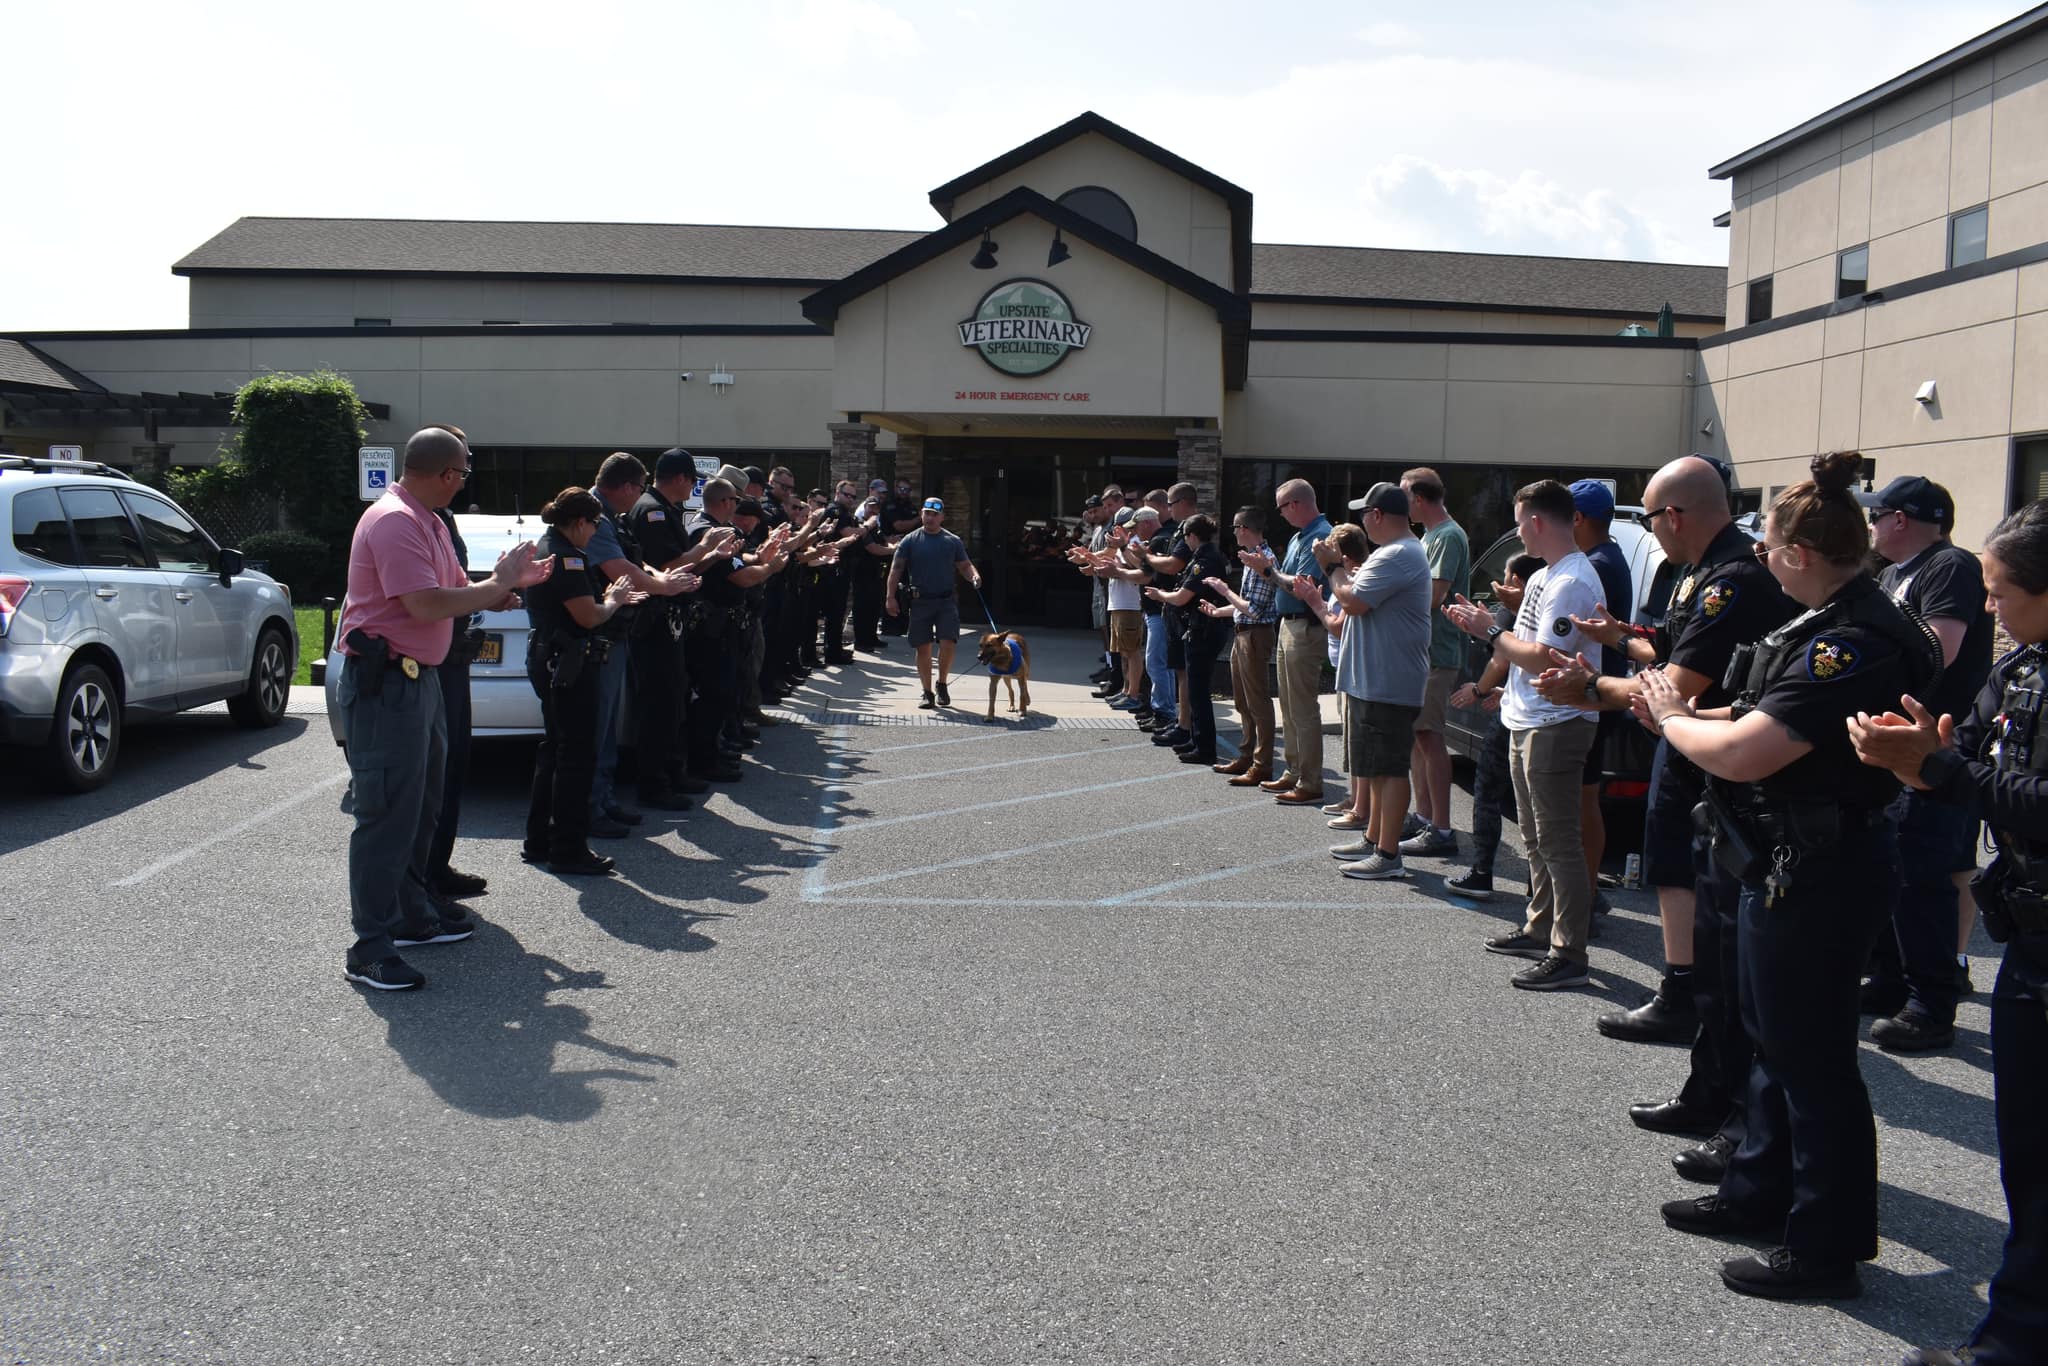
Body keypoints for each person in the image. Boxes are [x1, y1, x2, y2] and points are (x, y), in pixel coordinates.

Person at [1647, 451, 1941, 1302]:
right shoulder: (1829, 624)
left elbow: (1745, 753)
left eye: (1771, 547)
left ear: (1800, 554)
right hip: (1787, 860)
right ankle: (1758, 1191)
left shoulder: (1852, 641)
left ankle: (1826, 1246)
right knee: (1778, 1046)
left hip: (1821, 867)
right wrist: (1684, 712)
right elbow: (1752, 714)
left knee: (1814, 1064)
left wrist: (1672, 720)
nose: (1765, 560)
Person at [1850, 498, 2048, 1364]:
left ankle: (2012, 1342)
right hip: (2029, 943)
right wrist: (1918, 755)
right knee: (2027, 1161)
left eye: (2003, 594)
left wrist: (1935, 769)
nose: (1992, 610)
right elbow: (1963, 750)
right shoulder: (2023, 670)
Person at [336, 426, 550, 992]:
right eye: (460, 473)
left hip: (418, 681)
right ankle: (370, 948)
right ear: (446, 474)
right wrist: (494, 586)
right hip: (388, 686)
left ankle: (407, 916)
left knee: (421, 808)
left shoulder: (425, 519)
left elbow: (456, 587)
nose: (461, 483)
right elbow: (426, 603)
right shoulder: (395, 521)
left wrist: (502, 586)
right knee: (386, 815)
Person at [1444, 479, 1603, 990]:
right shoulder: (1545, 576)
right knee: (1534, 836)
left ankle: (1569, 952)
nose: (1517, 532)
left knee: (1559, 841)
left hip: (1557, 722)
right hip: (1526, 716)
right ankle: (1540, 928)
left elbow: (1544, 655)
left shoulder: (1574, 580)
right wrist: (1493, 629)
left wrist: (1487, 629)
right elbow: (1522, 646)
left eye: (1518, 522)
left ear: (1536, 521)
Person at [1856, 475, 1993, 1052]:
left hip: (1938, 746)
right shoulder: (1891, 574)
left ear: (1902, 519)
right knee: (1893, 869)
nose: (1871, 526)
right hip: (1897, 746)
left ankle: (1932, 1004)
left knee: (1924, 875)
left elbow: (1942, 645)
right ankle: (1892, 981)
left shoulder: (1949, 566)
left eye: (1877, 515)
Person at [522, 487, 648, 876]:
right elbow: (589, 617)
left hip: (551, 659)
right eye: (594, 525)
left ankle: (540, 840)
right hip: (570, 663)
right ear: (580, 522)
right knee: (576, 757)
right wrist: (615, 599)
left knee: (555, 751)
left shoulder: (547, 545)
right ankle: (569, 848)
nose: (595, 532)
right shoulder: (568, 558)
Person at [1322, 483, 1433, 880]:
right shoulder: (1394, 552)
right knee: (1376, 766)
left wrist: (1332, 568)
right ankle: (1374, 839)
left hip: (1389, 680)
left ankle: (1388, 855)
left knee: (1388, 769)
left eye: (1364, 513)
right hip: (1376, 679)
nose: (1361, 520)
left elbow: (1351, 601)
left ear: (1379, 515)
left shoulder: (1400, 553)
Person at [584, 453, 690, 838]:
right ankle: (590, 808)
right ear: (628, 487)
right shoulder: (593, 516)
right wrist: (666, 585)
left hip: (613, 633)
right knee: (594, 729)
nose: (641, 494)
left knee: (608, 725)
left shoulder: (611, 517)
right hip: (593, 637)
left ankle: (604, 800)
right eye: (639, 487)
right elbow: (619, 570)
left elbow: (636, 564)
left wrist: (661, 578)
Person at [1444, 555, 1543, 898]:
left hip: (1523, 714)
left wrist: (1479, 689)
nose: (1500, 585)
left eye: (1505, 577)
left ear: (1517, 580)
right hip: (1521, 704)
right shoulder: (1537, 603)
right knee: (1533, 805)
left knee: (1491, 789)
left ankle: (1483, 871)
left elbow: (1502, 658)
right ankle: (1551, 888)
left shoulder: (1525, 607)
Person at [1566, 478, 1632, 913]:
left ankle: (1585, 894)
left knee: (1583, 799)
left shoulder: (1599, 564)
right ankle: (1587, 890)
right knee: (1582, 797)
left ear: (1578, 519)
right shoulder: (1606, 557)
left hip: (1596, 693)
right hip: (1597, 691)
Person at [1398, 467, 1469, 858]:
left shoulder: (1446, 536)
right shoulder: (1430, 536)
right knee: (1419, 736)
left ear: (1419, 499)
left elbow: (1434, 597)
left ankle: (1441, 828)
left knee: (1430, 736)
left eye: (1403, 497)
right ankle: (1424, 818)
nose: (1401, 505)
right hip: (1421, 653)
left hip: (1436, 654)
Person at [1249, 479, 1333, 806]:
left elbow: (1300, 584)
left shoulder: (1320, 536)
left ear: (1295, 505)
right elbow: (1290, 580)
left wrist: (1268, 571)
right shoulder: (1301, 536)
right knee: (1288, 704)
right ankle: (1295, 770)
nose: (1280, 514)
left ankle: (1310, 780)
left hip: (1306, 627)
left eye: (1282, 507)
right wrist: (1272, 572)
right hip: (1290, 624)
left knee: (1302, 707)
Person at [1199, 506, 1280, 785]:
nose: (1233, 532)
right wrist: (1218, 610)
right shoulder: (1253, 559)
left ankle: (1262, 764)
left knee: (1257, 702)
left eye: (1235, 527)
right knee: (1243, 701)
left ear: (1244, 529)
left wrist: (1224, 591)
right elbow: (1243, 608)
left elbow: (1255, 610)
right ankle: (1247, 757)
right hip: (1244, 633)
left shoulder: (1264, 559)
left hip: (1255, 634)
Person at [1144, 513, 1230, 764]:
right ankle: (1196, 739)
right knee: (1195, 690)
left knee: (1199, 692)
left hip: (1204, 630)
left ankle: (1204, 748)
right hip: (1202, 628)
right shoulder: (1210, 556)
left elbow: (1182, 596)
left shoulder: (1205, 559)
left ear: (1192, 536)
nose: (1185, 542)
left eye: (1186, 537)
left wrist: (1160, 594)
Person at [885, 497, 982, 708]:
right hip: (921, 602)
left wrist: (974, 576)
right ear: (921, 514)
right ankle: (927, 692)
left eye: (934, 514)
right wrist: (890, 597)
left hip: (946, 601)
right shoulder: (910, 540)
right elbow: (896, 569)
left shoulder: (952, 541)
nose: (930, 517)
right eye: (927, 512)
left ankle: (942, 683)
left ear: (942, 517)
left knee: (948, 642)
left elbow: (965, 565)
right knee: (923, 648)